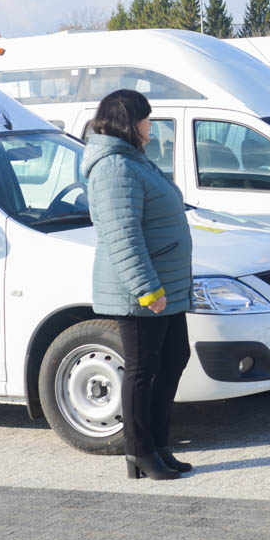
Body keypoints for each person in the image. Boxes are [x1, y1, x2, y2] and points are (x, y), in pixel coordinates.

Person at [84, 89, 193, 481]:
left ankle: (159, 445)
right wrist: (148, 288)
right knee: (143, 369)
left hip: (165, 286)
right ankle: (139, 451)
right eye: (146, 118)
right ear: (129, 123)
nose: (151, 125)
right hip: (142, 292)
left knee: (174, 357)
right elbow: (121, 235)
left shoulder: (134, 160)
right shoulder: (114, 167)